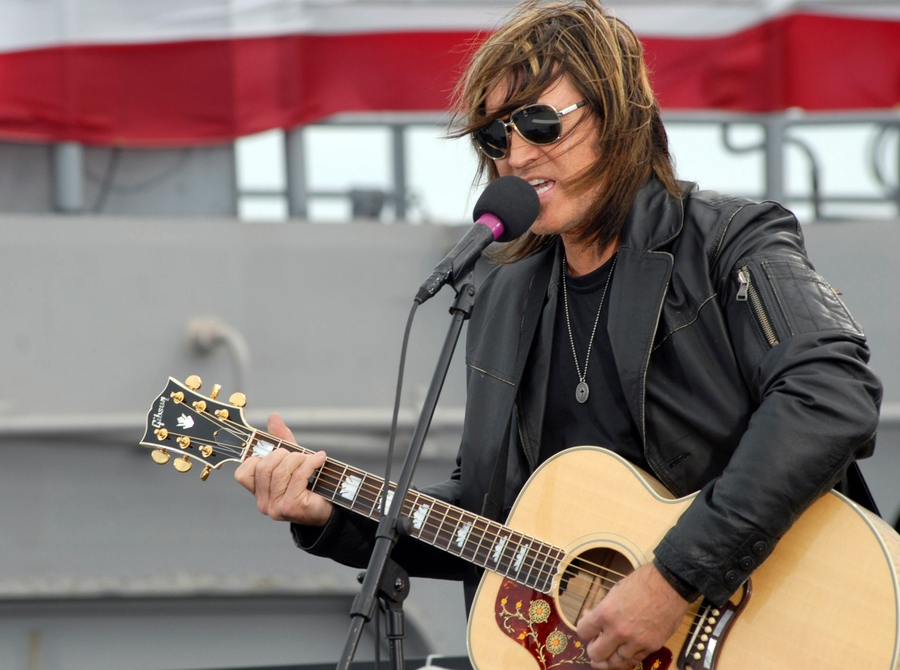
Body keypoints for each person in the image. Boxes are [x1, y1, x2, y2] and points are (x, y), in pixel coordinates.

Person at [235, 1, 883, 668]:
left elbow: (831, 394)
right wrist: (335, 511)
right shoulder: (499, 294)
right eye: (494, 137)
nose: (515, 154)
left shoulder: (727, 241)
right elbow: (487, 519)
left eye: (540, 124)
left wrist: (672, 580)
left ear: (620, 114)